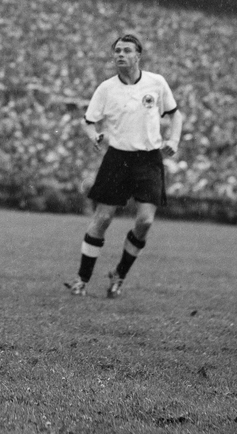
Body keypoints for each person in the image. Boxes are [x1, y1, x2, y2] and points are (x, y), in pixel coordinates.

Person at [65, 32, 182, 298]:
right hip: (117, 158)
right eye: (117, 50)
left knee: (145, 221)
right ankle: (81, 279)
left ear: (138, 56)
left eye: (127, 50)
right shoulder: (106, 88)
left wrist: (173, 140)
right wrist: (94, 135)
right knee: (103, 218)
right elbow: (87, 120)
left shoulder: (156, 82)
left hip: (150, 159)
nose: (121, 54)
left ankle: (119, 275)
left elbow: (176, 115)